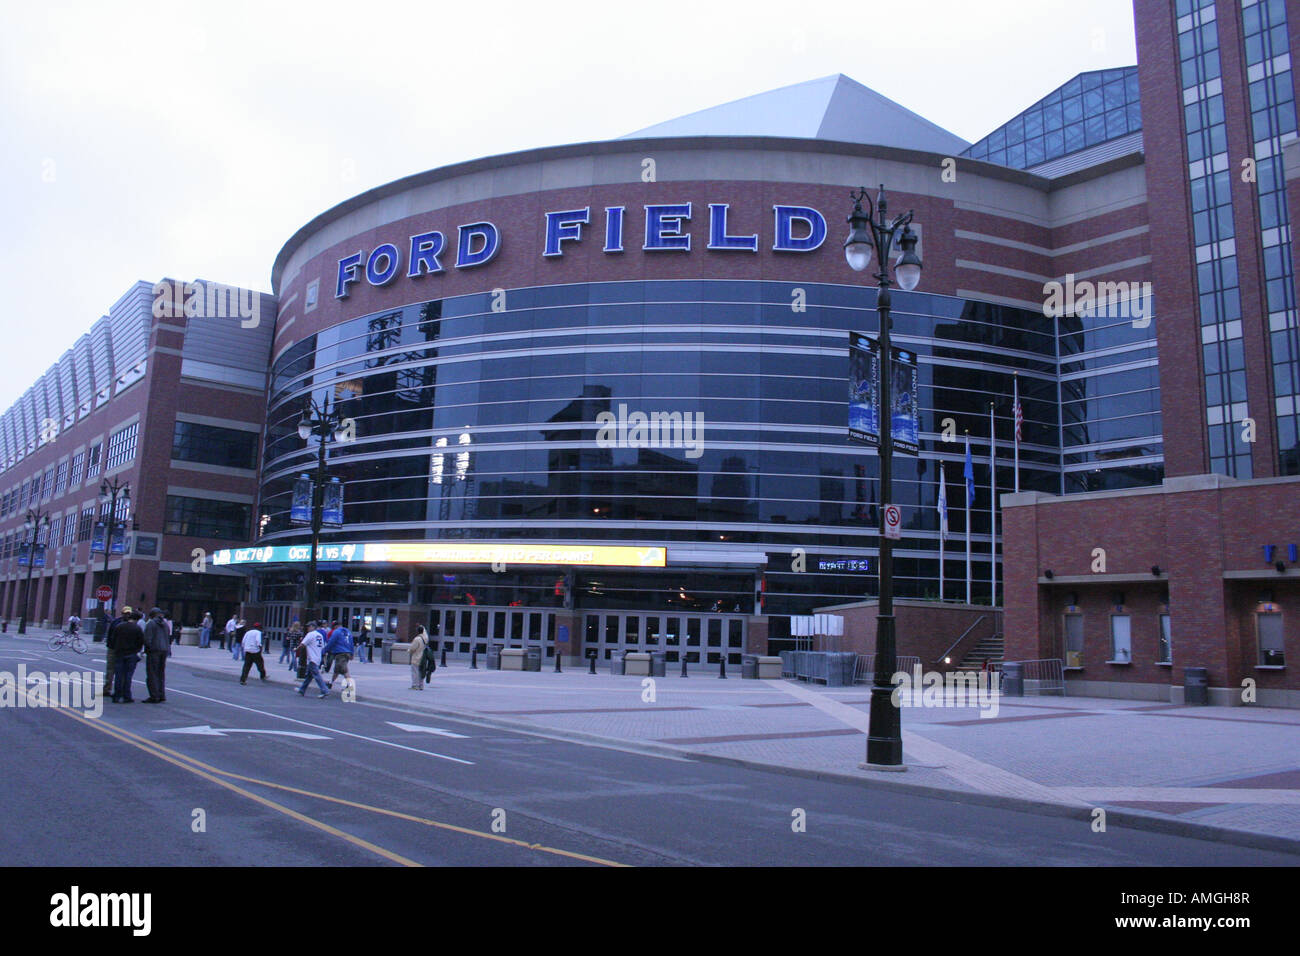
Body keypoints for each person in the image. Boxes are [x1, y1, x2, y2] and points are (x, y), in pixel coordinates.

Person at [110, 611, 145, 703]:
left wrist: (116, 649)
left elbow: (113, 639)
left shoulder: (119, 626)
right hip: (131, 654)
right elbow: (141, 641)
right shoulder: (137, 628)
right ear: (137, 619)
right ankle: (127, 696)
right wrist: (137, 650)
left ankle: (117, 695)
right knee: (128, 676)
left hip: (120, 653)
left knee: (118, 675)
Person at [102, 605, 133, 699]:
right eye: (126, 613)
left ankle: (119, 690)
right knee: (111, 670)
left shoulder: (131, 624)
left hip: (123, 650)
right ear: (122, 613)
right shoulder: (116, 623)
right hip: (114, 649)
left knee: (121, 671)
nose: (127, 615)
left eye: (129, 613)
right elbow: (111, 636)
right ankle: (107, 689)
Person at [142, 607, 170, 703]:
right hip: (164, 650)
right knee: (160, 673)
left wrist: (147, 649)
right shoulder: (165, 624)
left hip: (154, 650)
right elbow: (167, 638)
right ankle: (161, 694)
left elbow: (147, 639)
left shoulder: (151, 624)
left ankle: (154, 695)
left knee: (152, 673)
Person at [296, 621, 329, 698]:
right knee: (309, 676)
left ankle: (325, 690)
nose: (308, 628)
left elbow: (303, 644)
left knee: (316, 675)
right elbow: (323, 646)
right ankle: (302, 689)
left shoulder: (310, 634)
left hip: (312, 658)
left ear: (313, 627)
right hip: (317, 657)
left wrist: (296, 649)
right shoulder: (320, 635)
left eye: (309, 626)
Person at [322, 620, 354, 691]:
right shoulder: (348, 632)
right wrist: (352, 653)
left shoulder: (336, 632)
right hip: (347, 652)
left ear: (335, 626)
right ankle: (330, 683)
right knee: (337, 670)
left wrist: (324, 650)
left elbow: (331, 642)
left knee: (344, 670)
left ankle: (350, 686)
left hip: (340, 653)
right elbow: (351, 643)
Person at [408, 626, 429, 690]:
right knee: (421, 672)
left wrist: (409, 651)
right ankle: (421, 685)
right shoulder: (425, 638)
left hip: (416, 658)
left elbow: (412, 648)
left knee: (415, 672)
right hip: (423, 658)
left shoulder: (417, 639)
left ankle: (415, 685)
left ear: (417, 631)